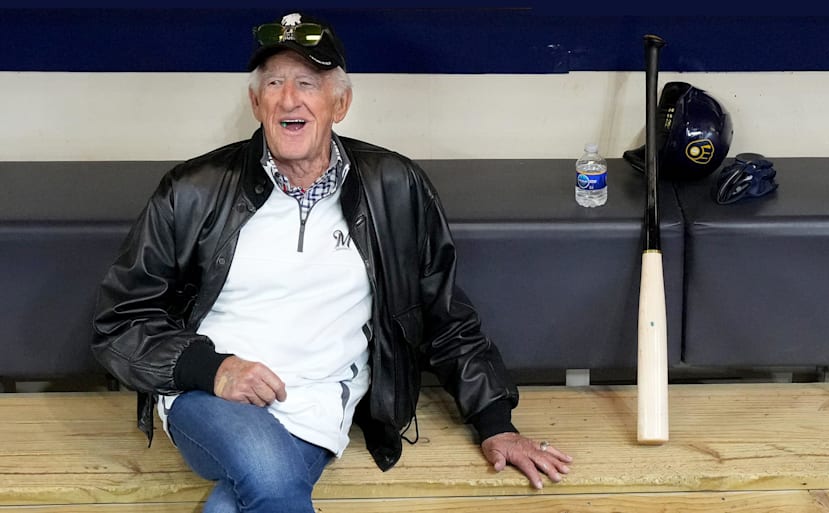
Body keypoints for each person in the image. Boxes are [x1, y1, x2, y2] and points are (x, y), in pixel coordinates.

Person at [92, 10, 573, 513]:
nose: (288, 98)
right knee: (268, 471)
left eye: (307, 82)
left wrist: (497, 424)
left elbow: (446, 315)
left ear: (339, 103)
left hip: (320, 407)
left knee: (230, 506)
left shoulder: (395, 186)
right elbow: (119, 322)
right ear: (256, 103)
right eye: (274, 83)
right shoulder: (192, 189)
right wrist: (211, 368)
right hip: (211, 399)